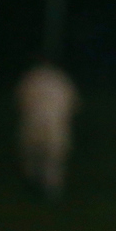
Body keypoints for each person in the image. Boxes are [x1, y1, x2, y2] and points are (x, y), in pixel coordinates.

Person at [14, 57, 80, 199]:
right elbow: (73, 103)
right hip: (54, 122)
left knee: (33, 153)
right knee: (53, 156)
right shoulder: (61, 79)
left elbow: (21, 100)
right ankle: (49, 188)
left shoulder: (32, 77)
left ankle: (34, 185)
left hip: (35, 120)